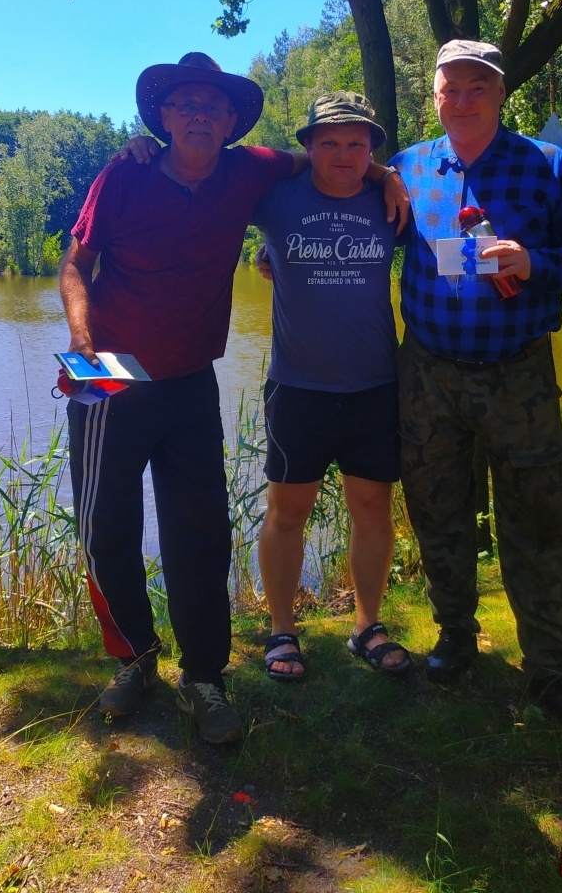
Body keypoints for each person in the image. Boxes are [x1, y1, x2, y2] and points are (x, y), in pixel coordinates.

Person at [59, 53, 408, 743]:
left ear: (228, 122)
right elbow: (76, 261)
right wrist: (82, 340)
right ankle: (134, 659)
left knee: (201, 531)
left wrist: (381, 170)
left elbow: (330, 154)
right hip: (109, 367)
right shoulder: (123, 173)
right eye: (185, 103)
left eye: (212, 106)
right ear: (162, 117)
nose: (198, 114)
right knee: (104, 527)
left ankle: (205, 675)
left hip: (192, 372)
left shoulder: (250, 169)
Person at [392, 39, 562, 736]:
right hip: (428, 373)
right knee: (438, 513)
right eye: (449, 89)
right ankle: (457, 636)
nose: (461, 100)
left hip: (518, 373)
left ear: (499, 94)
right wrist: (280, 252)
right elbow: (338, 203)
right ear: (434, 95)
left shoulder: (547, 167)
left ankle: (549, 666)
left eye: (475, 88)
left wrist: (536, 261)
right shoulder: (405, 169)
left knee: (537, 521)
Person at [252, 93, 410, 681]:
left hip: (375, 384)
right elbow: (221, 178)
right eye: (329, 142)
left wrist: (386, 175)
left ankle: (368, 625)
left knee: (372, 507)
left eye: (356, 143)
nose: (343, 154)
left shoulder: (393, 200)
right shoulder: (277, 198)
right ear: (309, 146)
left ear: (371, 148)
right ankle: (282, 631)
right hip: (297, 387)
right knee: (286, 512)